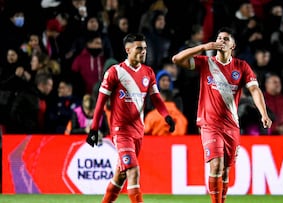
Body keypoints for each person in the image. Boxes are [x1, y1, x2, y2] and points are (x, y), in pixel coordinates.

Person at [172, 27, 272, 203]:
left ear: (232, 46)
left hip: (231, 125)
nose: (221, 41)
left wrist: (263, 113)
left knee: (225, 170)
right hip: (209, 124)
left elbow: (255, 89)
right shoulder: (206, 63)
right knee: (216, 165)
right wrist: (203, 47)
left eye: (226, 39)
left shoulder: (241, 67)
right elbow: (177, 59)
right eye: (219, 38)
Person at [86, 33, 175, 203]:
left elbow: (156, 98)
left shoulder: (148, 72)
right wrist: (94, 129)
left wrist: (167, 116)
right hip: (121, 131)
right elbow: (100, 103)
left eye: (145, 49)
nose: (143, 52)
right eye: (139, 48)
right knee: (133, 170)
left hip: (138, 131)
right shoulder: (115, 72)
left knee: (120, 175)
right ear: (128, 50)